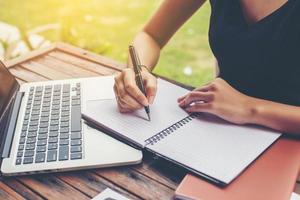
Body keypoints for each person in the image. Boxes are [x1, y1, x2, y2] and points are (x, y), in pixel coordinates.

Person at [113, 0, 300, 136]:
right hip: (220, 133)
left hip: (289, 148)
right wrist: (140, 70)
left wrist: (249, 108)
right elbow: (150, 36)